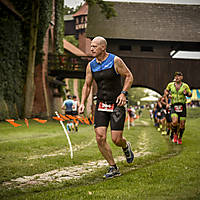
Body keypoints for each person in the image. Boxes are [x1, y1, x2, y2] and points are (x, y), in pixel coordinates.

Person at [79, 36, 134, 179]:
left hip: (117, 105)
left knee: (116, 139)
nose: (91, 49)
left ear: (103, 47)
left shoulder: (115, 61)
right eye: (91, 46)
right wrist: (82, 102)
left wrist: (123, 93)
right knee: (100, 137)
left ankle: (125, 146)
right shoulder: (91, 65)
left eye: (94, 46)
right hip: (101, 104)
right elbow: (87, 85)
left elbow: (129, 76)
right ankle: (113, 167)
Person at [164, 72, 192, 144]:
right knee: (174, 122)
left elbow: (190, 94)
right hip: (174, 106)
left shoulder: (185, 86)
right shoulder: (170, 85)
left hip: (182, 106)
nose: (177, 77)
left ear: (182, 77)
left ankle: (180, 138)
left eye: (179, 76)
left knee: (182, 125)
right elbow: (166, 91)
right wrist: (167, 102)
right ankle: (175, 134)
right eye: (176, 76)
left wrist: (186, 93)